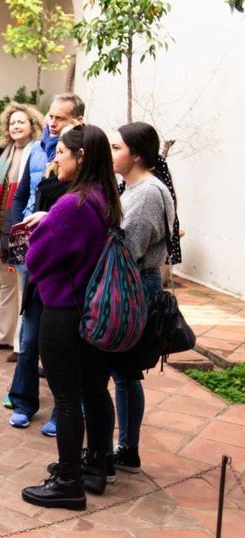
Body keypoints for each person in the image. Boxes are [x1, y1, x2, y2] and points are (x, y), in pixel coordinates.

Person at [21, 125, 122, 510]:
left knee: (65, 397)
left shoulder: (72, 204)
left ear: (81, 158)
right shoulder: (103, 197)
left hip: (65, 310)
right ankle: (96, 465)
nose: (54, 158)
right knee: (95, 390)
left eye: (61, 151)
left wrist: (42, 228)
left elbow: (36, 259)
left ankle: (68, 482)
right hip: (94, 310)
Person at [7, 93, 85, 435]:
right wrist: (18, 232)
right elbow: (22, 195)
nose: (52, 123)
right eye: (50, 116)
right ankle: (22, 400)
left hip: (65, 263)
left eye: (60, 118)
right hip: (35, 251)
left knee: (62, 340)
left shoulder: (85, 164)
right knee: (32, 331)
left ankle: (65, 407)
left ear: (77, 122)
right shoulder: (37, 151)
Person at [109, 121, 176, 474]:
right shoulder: (132, 187)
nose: (111, 153)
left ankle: (127, 448)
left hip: (134, 286)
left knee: (124, 372)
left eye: (117, 147)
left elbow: (126, 248)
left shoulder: (149, 192)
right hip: (129, 283)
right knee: (123, 373)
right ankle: (124, 447)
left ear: (136, 154)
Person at [0, 103, 44, 359]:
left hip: (19, 228)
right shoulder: (4, 153)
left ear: (32, 125)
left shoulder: (36, 151)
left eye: (21, 122)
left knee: (21, 285)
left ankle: (20, 343)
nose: (16, 127)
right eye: (12, 123)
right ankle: (1, 335)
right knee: (6, 283)